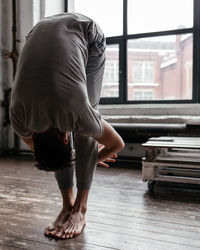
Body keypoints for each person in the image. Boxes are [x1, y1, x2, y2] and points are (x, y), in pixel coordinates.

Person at [10, 12, 124, 239]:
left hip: (86, 33)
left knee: (86, 133)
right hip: (38, 30)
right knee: (83, 130)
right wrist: (78, 157)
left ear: (65, 139)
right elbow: (48, 151)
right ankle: (67, 205)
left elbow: (117, 144)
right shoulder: (19, 117)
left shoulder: (77, 114)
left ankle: (80, 208)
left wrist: (91, 157)